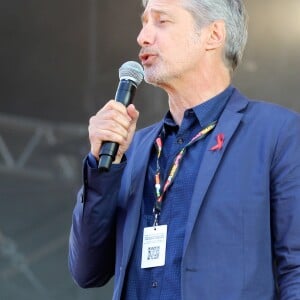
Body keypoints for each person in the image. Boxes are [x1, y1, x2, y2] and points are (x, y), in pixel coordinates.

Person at [68, 0, 300, 299]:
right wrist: (103, 169)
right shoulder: (134, 149)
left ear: (214, 35)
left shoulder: (276, 133)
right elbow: (87, 271)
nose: (143, 36)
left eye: (161, 21)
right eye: (144, 22)